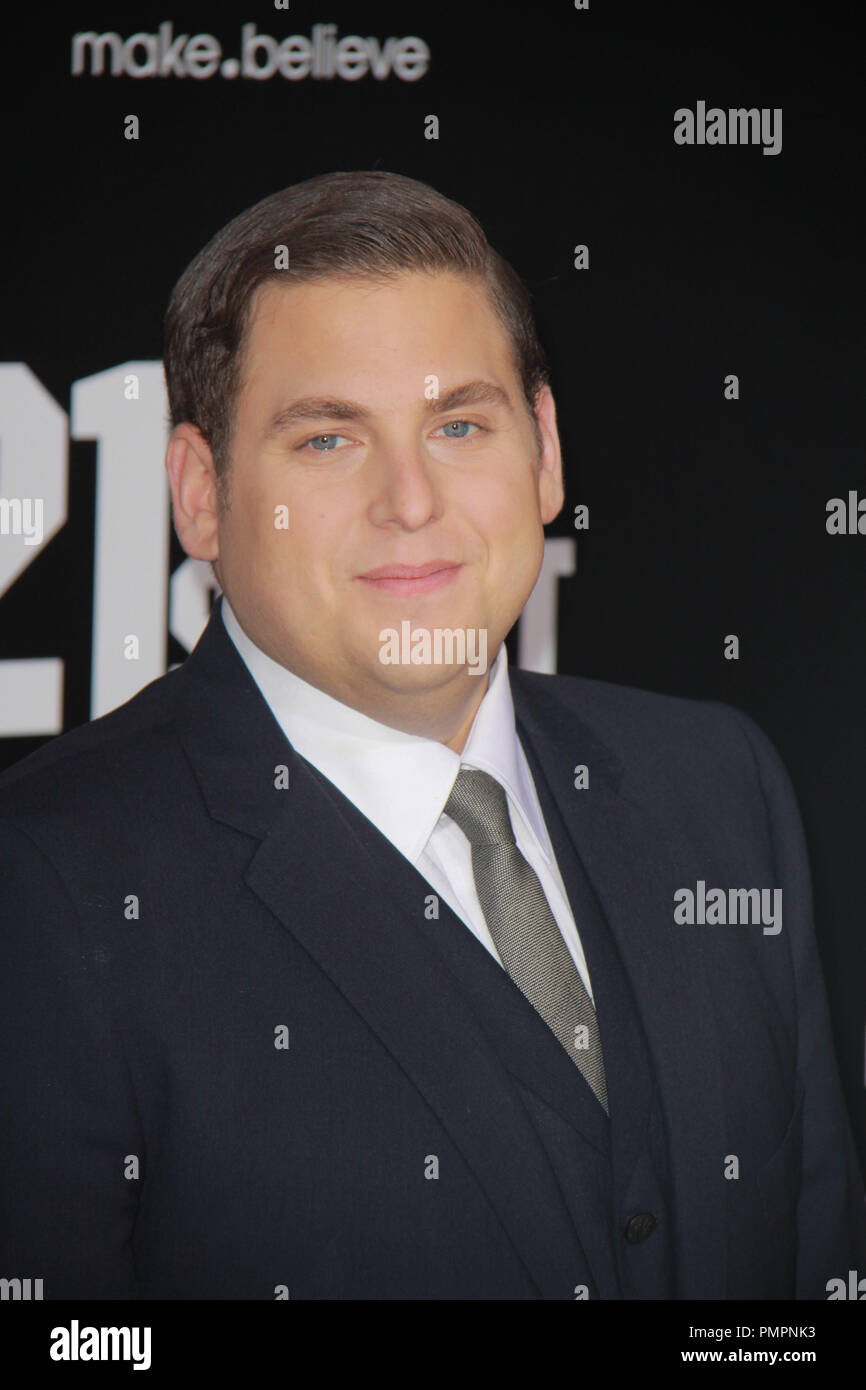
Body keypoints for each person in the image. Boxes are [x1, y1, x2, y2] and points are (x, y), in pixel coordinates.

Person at [1, 170, 864, 1300]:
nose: (410, 500)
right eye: (326, 440)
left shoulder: (715, 790)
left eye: (458, 423)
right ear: (200, 492)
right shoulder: (46, 882)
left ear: (544, 453)